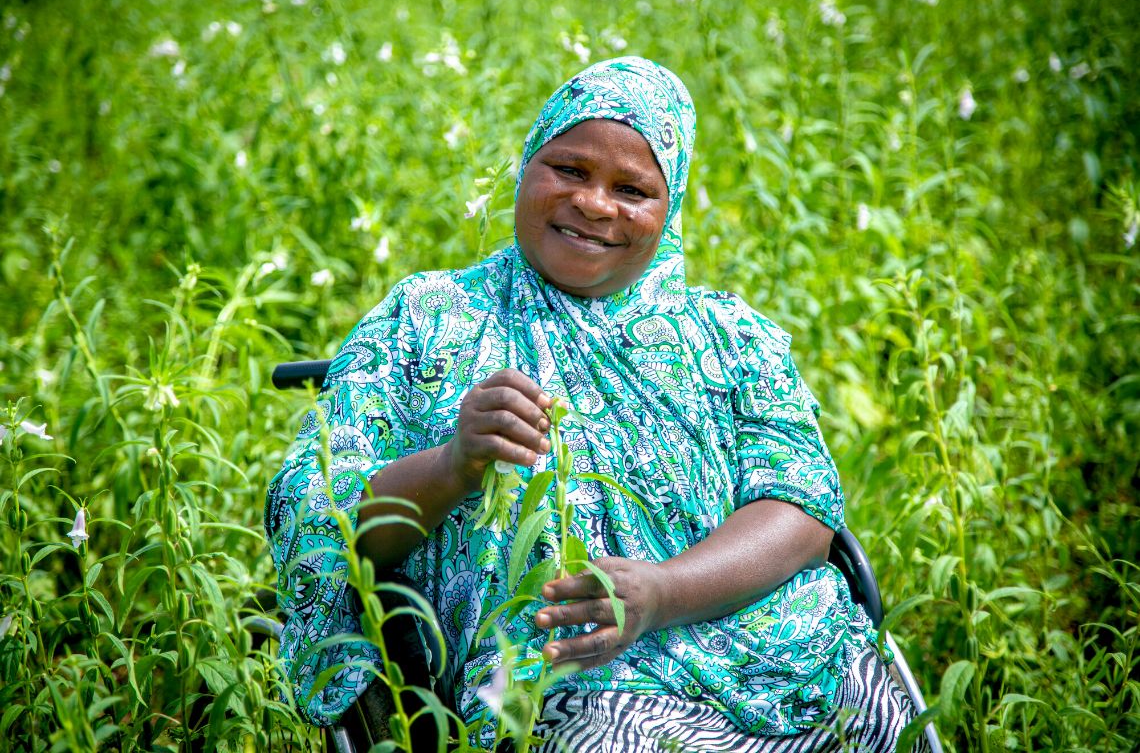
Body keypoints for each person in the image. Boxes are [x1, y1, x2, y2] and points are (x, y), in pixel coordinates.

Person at [265, 57, 925, 751]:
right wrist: (455, 463)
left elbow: (802, 513)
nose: (595, 204)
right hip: (569, 686)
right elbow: (326, 520)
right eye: (570, 170)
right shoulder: (428, 319)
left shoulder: (732, 338)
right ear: (526, 165)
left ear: (668, 213)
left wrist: (663, 592)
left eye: (632, 188)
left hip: (790, 664)